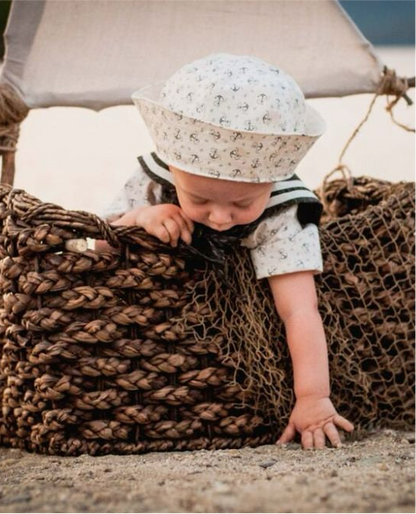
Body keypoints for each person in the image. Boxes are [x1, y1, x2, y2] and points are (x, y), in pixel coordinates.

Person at [97, 53, 354, 449]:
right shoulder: (155, 177)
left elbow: (300, 311)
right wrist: (141, 216)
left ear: (272, 180)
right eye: (198, 199)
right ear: (171, 163)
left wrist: (313, 398)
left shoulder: (285, 211)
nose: (219, 218)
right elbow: (97, 242)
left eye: (242, 205)